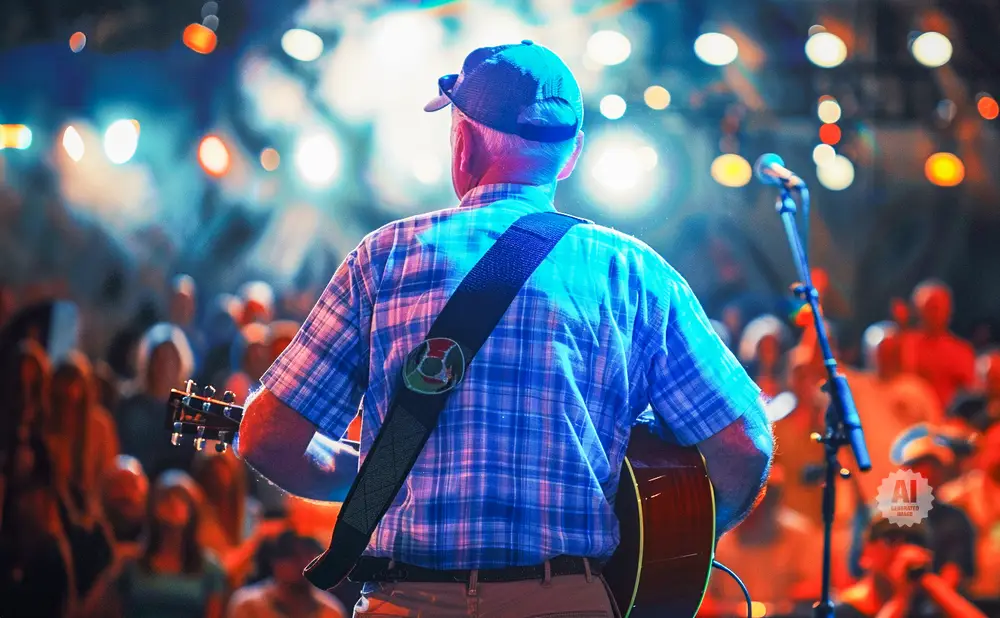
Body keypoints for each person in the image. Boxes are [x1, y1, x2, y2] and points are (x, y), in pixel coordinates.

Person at [236, 41, 772, 616]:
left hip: (408, 600)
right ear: (570, 156)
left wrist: (376, 479)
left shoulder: (386, 256)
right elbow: (743, 447)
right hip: (569, 603)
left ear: (463, 142)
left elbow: (267, 437)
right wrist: (671, 540)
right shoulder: (635, 272)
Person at [835, 518, 985, 618]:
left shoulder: (923, 607)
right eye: (892, 539)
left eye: (914, 541)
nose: (903, 550)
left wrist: (931, 583)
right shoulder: (842, 610)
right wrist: (901, 597)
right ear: (867, 550)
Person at [225, 531, 347, 618]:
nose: (304, 563)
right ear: (274, 561)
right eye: (294, 556)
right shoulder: (249, 606)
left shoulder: (331, 612)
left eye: (309, 554)